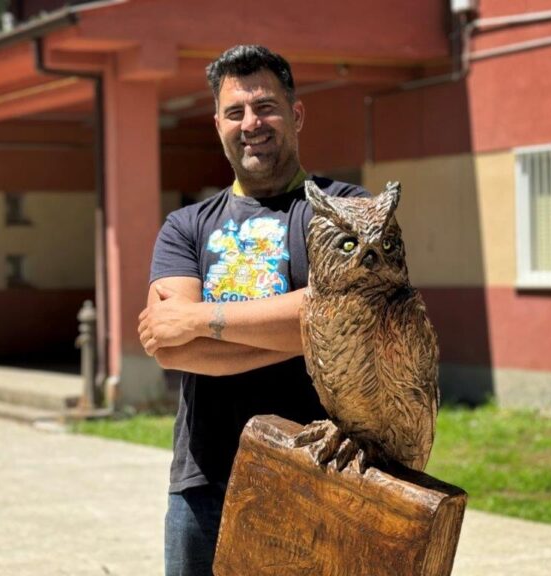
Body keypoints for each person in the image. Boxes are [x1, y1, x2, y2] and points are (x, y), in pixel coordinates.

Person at [138, 45, 369, 576]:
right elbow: (173, 351)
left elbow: (345, 317)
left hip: (321, 472)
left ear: (296, 114)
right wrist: (298, 325)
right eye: (236, 112)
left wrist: (201, 321)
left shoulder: (347, 208)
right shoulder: (186, 225)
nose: (252, 123)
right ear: (217, 122)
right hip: (203, 485)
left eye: (265, 106)